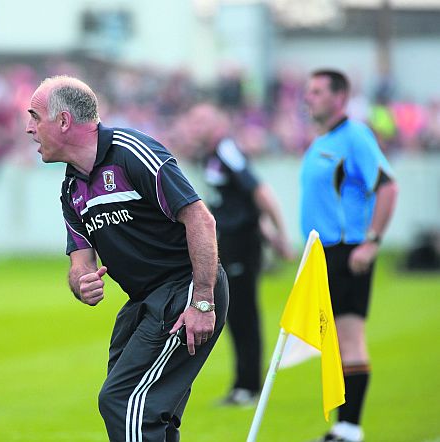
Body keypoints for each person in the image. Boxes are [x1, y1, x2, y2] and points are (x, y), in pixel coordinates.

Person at [25, 75, 229, 442]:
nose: (29, 128)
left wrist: (202, 301)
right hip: (145, 303)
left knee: (122, 400)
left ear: (64, 122)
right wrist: (81, 283)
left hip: (185, 291)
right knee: (146, 410)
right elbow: (80, 262)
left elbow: (200, 218)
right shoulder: (72, 187)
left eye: (35, 116)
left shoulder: (132, 152)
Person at [301, 70, 398, 442]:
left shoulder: (355, 136)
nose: (308, 98)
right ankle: (343, 426)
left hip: (346, 251)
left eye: (317, 91)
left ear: (340, 97)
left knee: (350, 337)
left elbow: (387, 186)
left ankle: (350, 428)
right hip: (321, 255)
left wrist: (371, 241)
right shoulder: (322, 141)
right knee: (337, 341)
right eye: (308, 91)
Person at [182, 103, 294, 406]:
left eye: (201, 121)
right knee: (235, 313)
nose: (194, 127)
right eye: (192, 122)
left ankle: (248, 386)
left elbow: (260, 192)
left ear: (218, 123)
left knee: (243, 313)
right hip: (230, 241)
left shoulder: (226, 150)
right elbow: (240, 200)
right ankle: (244, 384)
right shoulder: (209, 155)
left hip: (242, 243)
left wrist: (280, 234)